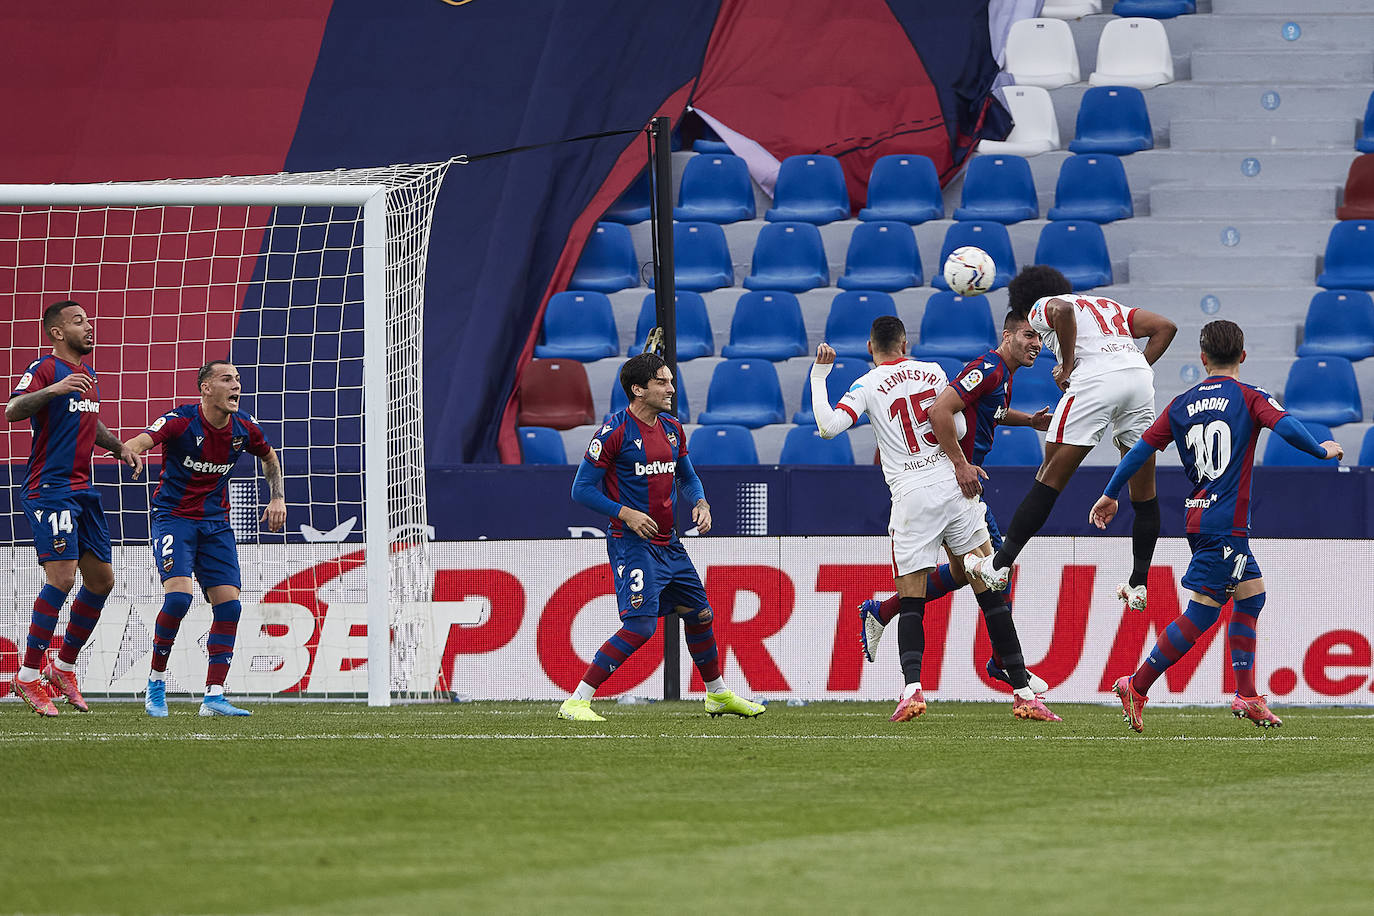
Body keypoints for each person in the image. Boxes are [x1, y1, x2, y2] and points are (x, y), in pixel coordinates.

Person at [1090, 319, 1340, 733]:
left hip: (1202, 518)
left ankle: (1246, 693)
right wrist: (1320, 449)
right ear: (1242, 355)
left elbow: (1139, 451)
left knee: (1252, 596)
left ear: (1202, 359)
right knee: (1201, 616)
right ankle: (1136, 684)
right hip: (1225, 524)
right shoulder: (1249, 396)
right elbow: (1287, 425)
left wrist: (1111, 492)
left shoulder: (1181, 403)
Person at [812, 315, 1059, 722]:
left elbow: (828, 427)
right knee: (990, 586)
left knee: (913, 599)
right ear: (905, 344)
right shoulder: (931, 370)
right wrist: (960, 461)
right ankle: (1022, 694)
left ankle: (912, 690)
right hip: (952, 484)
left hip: (911, 496)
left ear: (871, 348)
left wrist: (821, 375)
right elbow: (956, 419)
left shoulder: (866, 384)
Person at [559, 352, 764, 722]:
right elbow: (581, 490)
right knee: (640, 626)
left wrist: (700, 502)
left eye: (670, 381)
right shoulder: (613, 432)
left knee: (700, 615)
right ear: (638, 389)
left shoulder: (671, 428)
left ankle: (717, 695)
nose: (672, 388)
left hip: (669, 544)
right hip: (631, 544)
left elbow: (686, 475)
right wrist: (626, 513)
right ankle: (576, 701)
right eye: (662, 382)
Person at [967, 266, 1178, 613]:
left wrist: (1066, 366)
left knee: (1050, 473)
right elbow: (1165, 328)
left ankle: (1001, 564)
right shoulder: (1109, 306)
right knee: (1143, 486)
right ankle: (1138, 583)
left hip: (1094, 382)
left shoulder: (1042, 307)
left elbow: (1062, 312)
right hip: (1140, 380)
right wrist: (1133, 365)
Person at [122, 360, 286, 717]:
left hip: (215, 524)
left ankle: (213, 696)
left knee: (229, 606)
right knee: (179, 600)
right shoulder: (181, 420)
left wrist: (277, 497)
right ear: (206, 388)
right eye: (227, 379)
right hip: (174, 520)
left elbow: (269, 456)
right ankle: (156, 683)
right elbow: (143, 439)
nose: (236, 385)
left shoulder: (244, 428)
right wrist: (130, 449)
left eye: (238, 380)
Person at [6, 300, 142, 716]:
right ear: (57, 333)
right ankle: (28, 676)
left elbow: (89, 421)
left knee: (101, 581)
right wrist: (52, 389)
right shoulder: (46, 369)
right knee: (62, 577)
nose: (89, 326)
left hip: (83, 490)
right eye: (78, 321)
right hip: (50, 488)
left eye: (89, 319)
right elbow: (13, 410)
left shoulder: (89, 375)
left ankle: (62, 667)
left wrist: (117, 446)